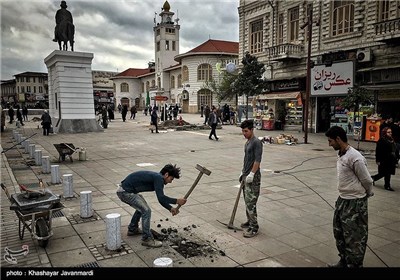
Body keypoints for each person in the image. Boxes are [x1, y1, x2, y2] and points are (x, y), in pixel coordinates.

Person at [325, 126, 374, 268]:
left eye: (330, 141)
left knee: (355, 237)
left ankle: (355, 264)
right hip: (343, 200)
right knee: (339, 233)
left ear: (338, 139)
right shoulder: (341, 153)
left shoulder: (355, 157)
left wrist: (366, 194)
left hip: (355, 203)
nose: (329, 144)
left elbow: (367, 181)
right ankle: (344, 261)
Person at [116, 164, 187, 248]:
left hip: (125, 190)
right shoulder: (159, 178)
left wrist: (170, 208)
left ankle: (133, 229)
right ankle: (147, 238)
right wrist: (177, 201)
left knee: (142, 207)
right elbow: (161, 197)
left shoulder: (158, 177)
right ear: (166, 174)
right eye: (171, 179)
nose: (170, 182)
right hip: (125, 192)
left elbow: (160, 199)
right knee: (146, 210)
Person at [238, 119, 263, 238]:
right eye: (243, 131)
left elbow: (257, 160)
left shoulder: (256, 142)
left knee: (251, 202)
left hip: (253, 177)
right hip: (246, 175)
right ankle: (249, 221)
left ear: (252, 130)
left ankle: (254, 227)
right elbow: (246, 159)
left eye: (246, 131)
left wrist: (252, 174)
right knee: (247, 201)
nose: (244, 133)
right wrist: (242, 172)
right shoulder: (248, 142)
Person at [371, 127, 397, 191]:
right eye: (388, 132)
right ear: (385, 133)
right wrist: (378, 160)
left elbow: (394, 149)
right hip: (384, 159)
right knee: (383, 173)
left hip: (390, 159)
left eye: (391, 132)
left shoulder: (391, 139)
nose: (390, 133)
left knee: (388, 173)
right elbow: (378, 151)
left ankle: (387, 185)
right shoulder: (382, 140)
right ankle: (373, 178)